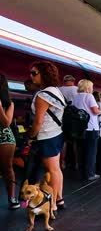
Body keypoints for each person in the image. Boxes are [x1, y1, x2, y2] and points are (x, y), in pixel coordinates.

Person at [29, 61, 66, 213]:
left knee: (52, 171)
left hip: (46, 135)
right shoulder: (56, 91)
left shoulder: (43, 95)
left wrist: (31, 135)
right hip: (57, 133)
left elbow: (38, 121)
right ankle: (59, 199)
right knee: (56, 169)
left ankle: (52, 205)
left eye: (34, 73)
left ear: (44, 74)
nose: (31, 76)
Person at [73, 79, 101, 181]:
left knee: (81, 152)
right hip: (91, 127)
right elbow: (95, 111)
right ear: (87, 87)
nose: (92, 89)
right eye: (91, 87)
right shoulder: (89, 96)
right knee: (91, 152)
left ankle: (82, 173)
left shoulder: (76, 97)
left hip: (80, 129)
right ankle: (90, 174)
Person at [0, 72, 20, 210]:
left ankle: (12, 197)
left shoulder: (9, 103)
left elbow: (6, 122)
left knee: (7, 168)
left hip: (4, 137)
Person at [59, 75, 79, 170]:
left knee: (63, 141)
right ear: (73, 81)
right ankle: (76, 163)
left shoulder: (59, 89)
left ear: (64, 81)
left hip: (61, 117)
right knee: (75, 141)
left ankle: (62, 163)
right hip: (74, 118)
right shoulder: (76, 89)